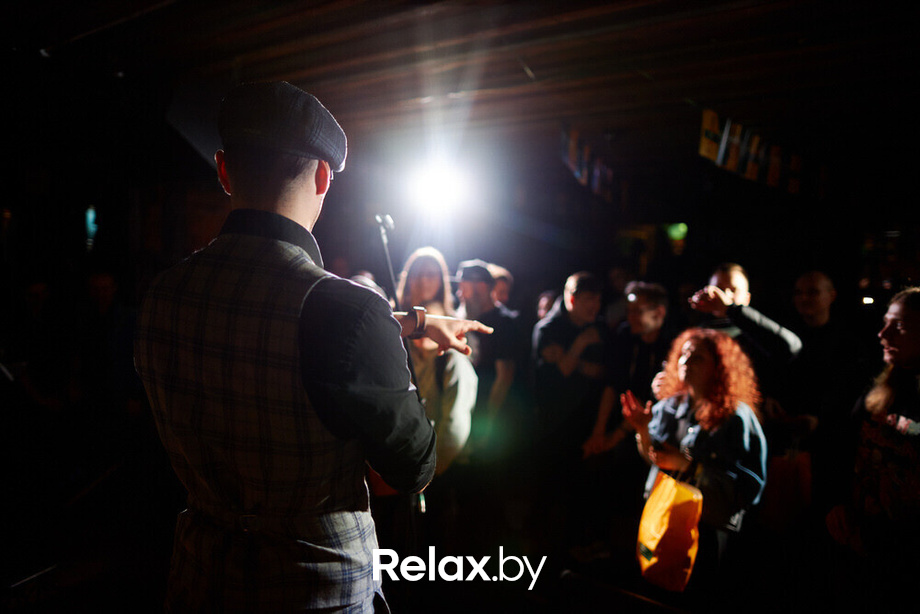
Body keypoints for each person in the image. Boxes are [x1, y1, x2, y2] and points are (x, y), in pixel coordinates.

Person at [134, 81, 490, 613]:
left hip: (199, 577)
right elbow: (415, 467)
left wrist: (412, 321)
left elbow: (258, 324)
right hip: (316, 591)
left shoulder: (162, 294)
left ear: (225, 170)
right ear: (324, 175)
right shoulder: (346, 310)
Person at [622, 328, 767, 595]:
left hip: (707, 531)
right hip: (663, 519)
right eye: (684, 354)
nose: (686, 361)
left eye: (697, 357)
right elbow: (655, 460)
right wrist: (642, 430)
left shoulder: (737, 418)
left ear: (719, 367)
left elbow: (749, 489)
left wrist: (691, 467)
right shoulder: (670, 406)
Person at [825, 287, 920, 608]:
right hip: (855, 546)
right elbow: (841, 449)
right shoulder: (879, 387)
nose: (882, 333)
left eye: (900, 326)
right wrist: (836, 504)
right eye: (885, 322)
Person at [395, 246, 455, 312]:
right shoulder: (390, 315)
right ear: (409, 278)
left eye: (430, 275)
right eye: (418, 274)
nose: (423, 280)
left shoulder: (453, 320)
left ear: (441, 281)